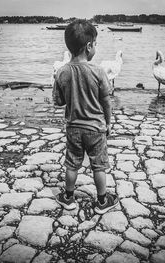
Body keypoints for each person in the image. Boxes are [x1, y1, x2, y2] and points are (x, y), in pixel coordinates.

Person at [52, 19, 119, 214]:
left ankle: (68, 197)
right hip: (96, 129)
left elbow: (59, 101)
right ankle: (102, 201)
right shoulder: (98, 71)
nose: (95, 47)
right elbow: (106, 100)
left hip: (74, 128)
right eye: (95, 44)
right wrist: (108, 122)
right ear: (89, 46)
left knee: (72, 164)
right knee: (99, 166)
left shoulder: (61, 72)